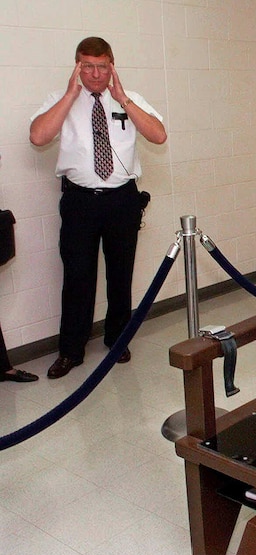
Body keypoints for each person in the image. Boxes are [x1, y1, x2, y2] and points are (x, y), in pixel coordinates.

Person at [30, 37, 166, 379]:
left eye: (101, 66)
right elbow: (38, 137)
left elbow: (158, 136)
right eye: (87, 66)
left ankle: (117, 339)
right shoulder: (61, 101)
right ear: (77, 67)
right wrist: (70, 96)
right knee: (77, 276)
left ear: (111, 67)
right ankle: (71, 350)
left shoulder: (130, 99)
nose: (94, 74)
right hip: (79, 201)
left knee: (121, 274)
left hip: (122, 199)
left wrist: (123, 100)